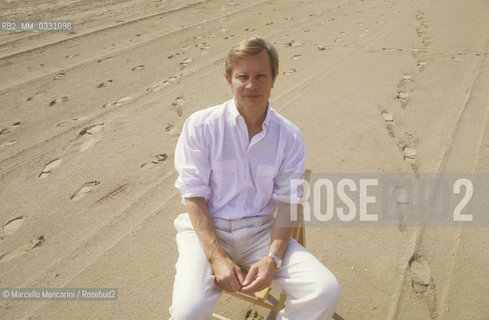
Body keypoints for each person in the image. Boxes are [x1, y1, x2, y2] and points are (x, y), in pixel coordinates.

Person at [170, 35, 341, 319]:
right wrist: (218, 258)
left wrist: (273, 258)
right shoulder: (200, 126)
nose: (252, 85)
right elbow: (194, 196)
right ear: (229, 80)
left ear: (274, 78)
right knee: (189, 311)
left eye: (261, 75)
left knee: (325, 290)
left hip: (261, 232)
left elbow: (288, 203)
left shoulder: (289, 136)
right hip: (206, 232)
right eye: (243, 76)